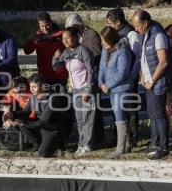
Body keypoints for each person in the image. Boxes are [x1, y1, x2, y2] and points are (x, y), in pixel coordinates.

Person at [132, 9, 171, 160]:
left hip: (157, 82)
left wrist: (152, 81)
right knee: (152, 114)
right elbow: (144, 58)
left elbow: (164, 62)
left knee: (159, 115)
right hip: (148, 82)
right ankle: (155, 143)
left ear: (145, 23)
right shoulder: (145, 35)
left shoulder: (158, 35)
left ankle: (164, 148)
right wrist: (142, 76)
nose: (135, 29)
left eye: (137, 25)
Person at [53, 27, 95, 155]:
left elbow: (91, 71)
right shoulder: (66, 52)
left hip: (85, 89)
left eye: (68, 37)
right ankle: (81, 144)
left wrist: (87, 90)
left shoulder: (84, 51)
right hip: (75, 90)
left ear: (75, 37)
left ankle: (87, 145)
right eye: (63, 38)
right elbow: (56, 68)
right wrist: (55, 57)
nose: (65, 40)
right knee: (80, 120)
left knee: (88, 118)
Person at [3, 73, 66, 157]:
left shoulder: (52, 99)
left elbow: (43, 122)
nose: (32, 90)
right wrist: (12, 115)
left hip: (52, 130)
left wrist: (21, 123)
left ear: (43, 86)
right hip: (41, 127)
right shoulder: (33, 97)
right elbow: (26, 112)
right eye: (31, 87)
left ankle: (57, 144)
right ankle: (38, 144)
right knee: (22, 121)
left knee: (42, 153)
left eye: (34, 87)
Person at [65, 13, 103, 147]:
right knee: (84, 115)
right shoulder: (77, 37)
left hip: (90, 79)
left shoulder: (91, 35)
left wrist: (85, 60)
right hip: (78, 82)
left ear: (77, 25)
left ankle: (96, 140)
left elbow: (98, 55)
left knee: (93, 114)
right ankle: (89, 141)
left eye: (71, 28)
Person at [106, 7, 142, 147]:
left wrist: (132, 76)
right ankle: (121, 138)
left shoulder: (130, 33)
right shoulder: (117, 32)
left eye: (110, 23)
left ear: (118, 22)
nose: (108, 26)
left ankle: (132, 138)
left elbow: (138, 57)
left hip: (128, 79)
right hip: (119, 79)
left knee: (130, 108)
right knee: (119, 108)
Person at [98, 26, 132, 159]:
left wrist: (108, 84)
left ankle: (120, 149)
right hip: (110, 89)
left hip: (122, 88)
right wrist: (101, 82)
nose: (103, 43)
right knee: (119, 115)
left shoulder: (122, 50)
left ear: (111, 39)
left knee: (119, 116)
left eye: (104, 41)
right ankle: (127, 144)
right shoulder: (104, 50)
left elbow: (122, 72)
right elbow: (101, 68)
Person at [24, 12, 68, 90]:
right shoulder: (37, 36)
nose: (45, 28)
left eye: (47, 25)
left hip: (60, 75)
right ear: (39, 25)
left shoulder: (61, 34)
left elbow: (70, 48)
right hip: (44, 76)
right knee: (46, 101)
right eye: (42, 26)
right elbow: (27, 51)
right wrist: (30, 40)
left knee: (62, 100)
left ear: (51, 22)